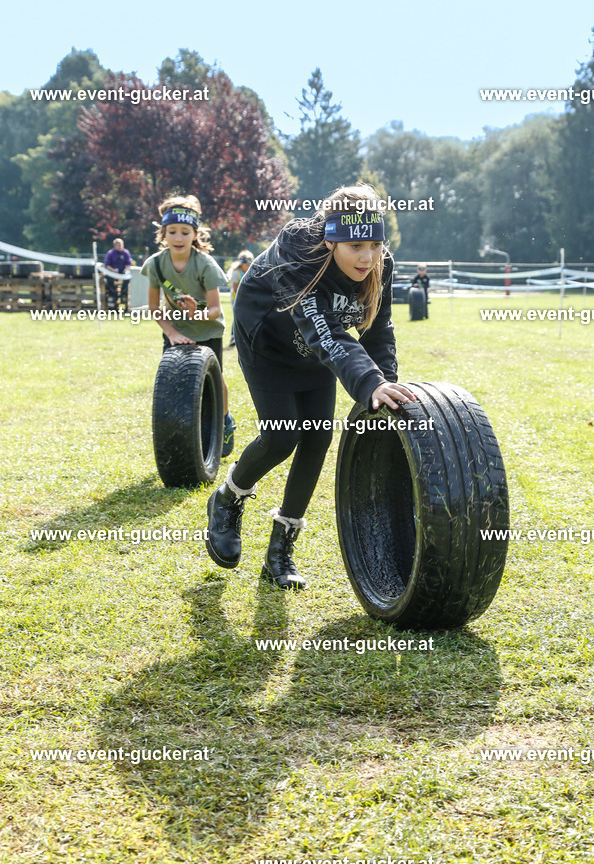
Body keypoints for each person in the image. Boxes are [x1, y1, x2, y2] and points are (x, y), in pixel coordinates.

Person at [205, 183, 417, 590]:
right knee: (283, 436)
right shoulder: (298, 256)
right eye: (356, 245)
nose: (367, 256)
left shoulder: (380, 266)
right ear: (331, 238)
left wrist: (384, 384)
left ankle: (280, 550)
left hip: (317, 349)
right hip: (267, 342)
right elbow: (325, 332)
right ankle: (228, 497)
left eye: (374, 244)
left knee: (317, 438)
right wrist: (367, 380)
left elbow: (377, 332)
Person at [140, 195, 236, 457]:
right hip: (175, 332)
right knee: (173, 382)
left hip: (208, 329)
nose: (178, 238)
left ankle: (224, 419)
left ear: (195, 234)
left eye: (185, 232)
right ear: (163, 234)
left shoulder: (205, 264)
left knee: (214, 381)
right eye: (172, 232)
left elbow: (216, 309)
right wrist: (171, 333)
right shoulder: (155, 264)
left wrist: (198, 313)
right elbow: (152, 308)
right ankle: (178, 432)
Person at [226, 250, 254, 347]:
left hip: (248, 298)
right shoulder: (236, 273)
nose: (248, 267)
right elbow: (235, 288)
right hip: (236, 298)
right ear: (241, 264)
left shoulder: (251, 272)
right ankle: (233, 337)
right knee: (237, 318)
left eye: (249, 264)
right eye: (246, 265)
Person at [103, 238, 133, 309]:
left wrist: (126, 270)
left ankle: (123, 292)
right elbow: (107, 265)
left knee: (127, 278)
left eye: (121, 245)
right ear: (114, 245)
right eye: (118, 245)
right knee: (108, 277)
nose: (120, 246)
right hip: (112, 271)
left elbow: (128, 264)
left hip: (122, 272)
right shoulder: (110, 253)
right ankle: (113, 292)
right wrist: (113, 270)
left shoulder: (125, 253)